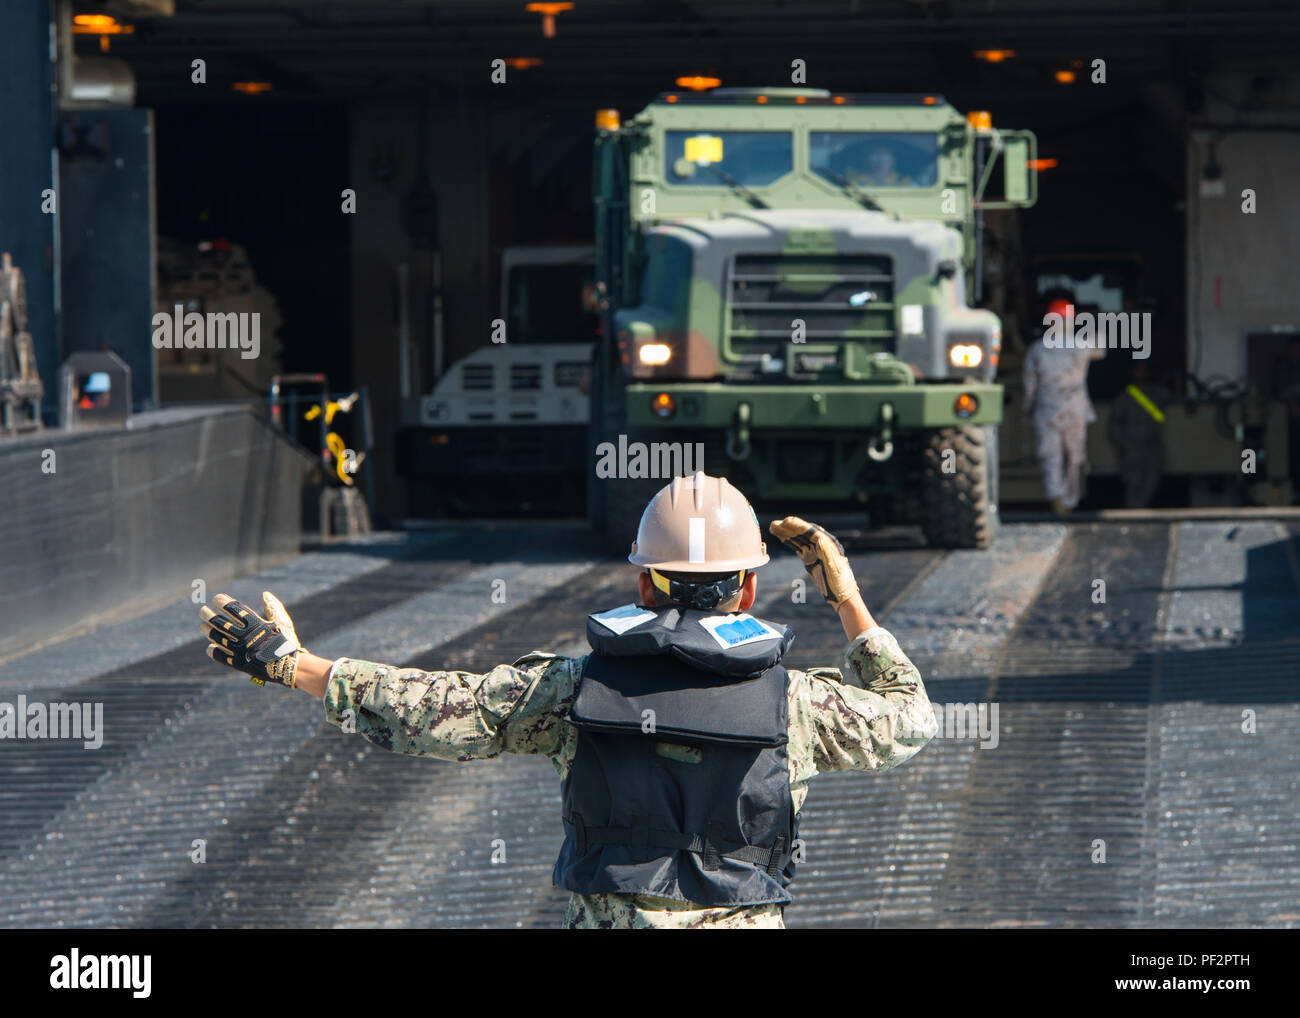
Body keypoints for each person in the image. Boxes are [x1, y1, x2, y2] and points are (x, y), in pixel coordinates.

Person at [198, 472, 939, 929]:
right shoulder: (799, 706)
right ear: (747, 588)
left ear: (643, 583)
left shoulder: (572, 689)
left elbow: (433, 708)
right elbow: (911, 715)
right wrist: (845, 596)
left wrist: (292, 664)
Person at [1022, 299, 1105, 515]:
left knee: (1051, 456)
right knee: (1074, 457)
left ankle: (1057, 500)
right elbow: (1102, 349)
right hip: (1074, 409)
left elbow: (1029, 385)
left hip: (1047, 410)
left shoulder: (1037, 349)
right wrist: (1095, 320)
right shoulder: (1082, 344)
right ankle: (1070, 501)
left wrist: (1027, 408)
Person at [1108, 361, 1172, 508]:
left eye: (1145, 370)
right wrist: (1122, 445)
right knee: (1134, 482)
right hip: (1133, 447)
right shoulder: (1125, 398)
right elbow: (1114, 424)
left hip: (1153, 445)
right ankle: (1133, 513)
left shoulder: (1157, 392)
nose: (1142, 373)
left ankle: (1140, 510)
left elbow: (1177, 402)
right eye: (1139, 369)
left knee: (1152, 481)